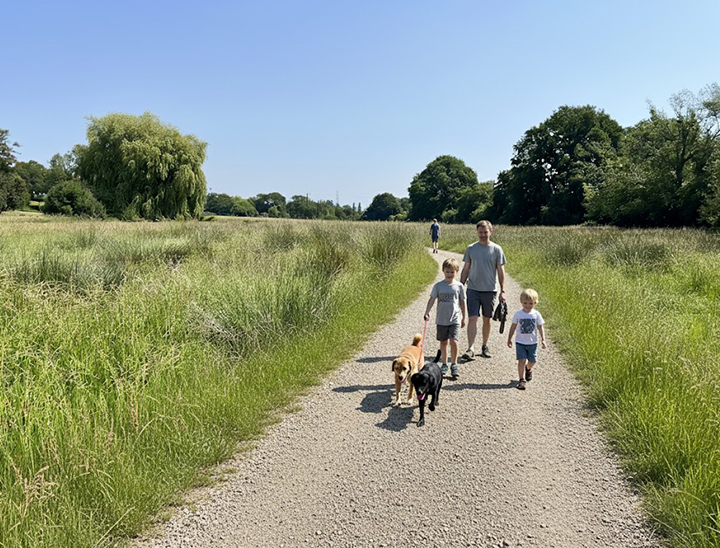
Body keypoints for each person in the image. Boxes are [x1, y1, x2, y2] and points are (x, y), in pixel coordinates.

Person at [459, 220, 506, 360]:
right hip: (472, 289)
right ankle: (470, 348)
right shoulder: (471, 248)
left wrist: (503, 290)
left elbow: (501, 270)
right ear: (477, 232)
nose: (483, 235)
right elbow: (466, 268)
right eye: (480, 232)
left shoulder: (497, 249)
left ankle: (484, 346)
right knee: (472, 318)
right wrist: (460, 286)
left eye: (485, 232)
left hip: (489, 290)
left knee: (487, 318)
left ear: (490, 232)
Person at [424, 258, 466, 379]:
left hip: (455, 318)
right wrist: (427, 312)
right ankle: (444, 363)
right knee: (443, 342)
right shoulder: (438, 286)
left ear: (456, 272)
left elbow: (463, 302)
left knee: (454, 340)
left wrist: (463, 316)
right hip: (441, 319)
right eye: (447, 272)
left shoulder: (459, 286)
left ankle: (454, 364)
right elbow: (432, 299)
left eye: (452, 272)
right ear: (443, 271)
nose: (449, 274)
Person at [506, 288, 546, 390]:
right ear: (521, 302)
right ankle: (521, 379)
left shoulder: (536, 315)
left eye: (530, 303)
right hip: (520, 342)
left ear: (535, 303)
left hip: (533, 342)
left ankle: (528, 368)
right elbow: (513, 326)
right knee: (521, 360)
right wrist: (509, 338)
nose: (527, 306)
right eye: (525, 303)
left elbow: (540, 327)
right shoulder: (518, 314)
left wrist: (543, 339)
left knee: (533, 360)